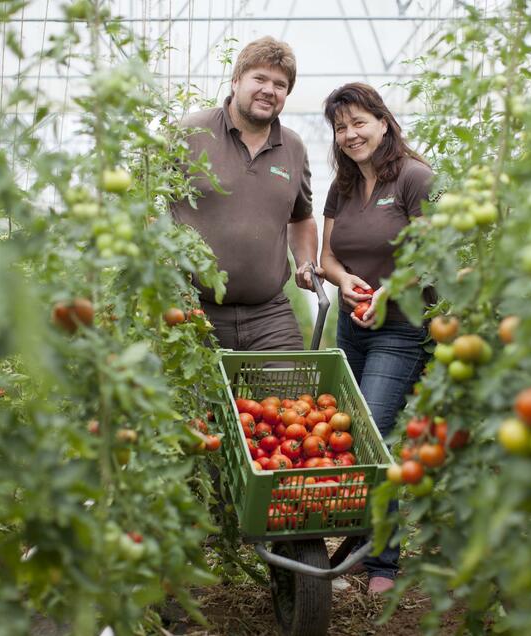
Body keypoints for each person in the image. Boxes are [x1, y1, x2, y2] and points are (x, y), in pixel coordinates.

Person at [319, 83, 433, 594]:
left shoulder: (415, 178)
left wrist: (390, 291)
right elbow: (328, 258)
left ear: (383, 122)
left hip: (401, 327)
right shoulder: (341, 187)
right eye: (341, 127)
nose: (350, 135)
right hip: (353, 323)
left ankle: (382, 563)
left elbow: (433, 256)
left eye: (359, 122)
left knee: (371, 435)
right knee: (346, 434)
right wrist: (344, 282)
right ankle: (349, 550)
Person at [170, 36, 321, 351]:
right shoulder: (190, 133)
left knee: (290, 398)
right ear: (236, 81)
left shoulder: (293, 148)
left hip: (269, 313)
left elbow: (301, 218)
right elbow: (144, 199)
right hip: (194, 307)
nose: (269, 89)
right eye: (260, 78)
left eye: (280, 84)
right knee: (203, 400)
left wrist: (306, 262)